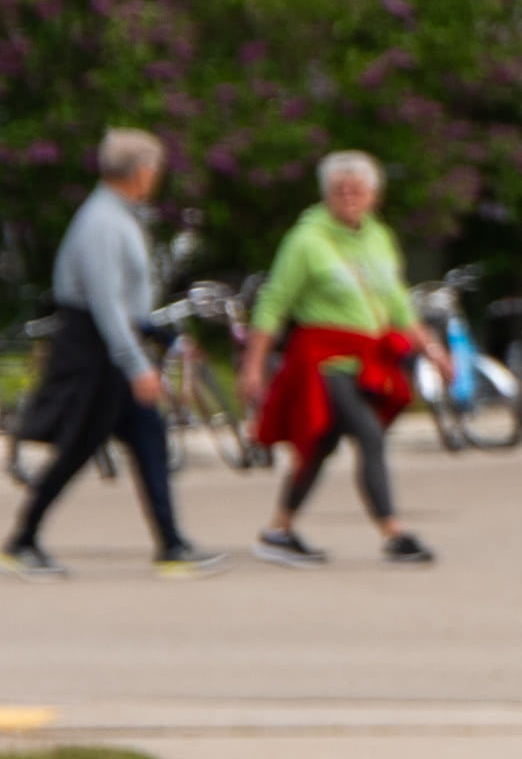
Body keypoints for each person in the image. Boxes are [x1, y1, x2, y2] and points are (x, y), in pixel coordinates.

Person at [8, 130, 216, 577]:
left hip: (111, 348)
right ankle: (23, 539)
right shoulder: (102, 222)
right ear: (140, 172)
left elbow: (130, 304)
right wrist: (137, 365)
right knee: (83, 447)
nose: (156, 178)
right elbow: (106, 306)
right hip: (95, 356)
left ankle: (171, 544)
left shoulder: (121, 216)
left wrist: (166, 339)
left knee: (148, 440)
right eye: (155, 169)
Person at [246, 148, 433, 564]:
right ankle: (393, 532)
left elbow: (397, 302)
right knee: (368, 435)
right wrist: (253, 365)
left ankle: (279, 528)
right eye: (339, 189)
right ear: (325, 194)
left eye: (357, 189)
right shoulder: (305, 241)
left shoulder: (378, 238)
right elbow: (274, 303)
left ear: (373, 195)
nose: (348, 196)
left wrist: (431, 347)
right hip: (324, 359)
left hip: (367, 360)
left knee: (321, 442)